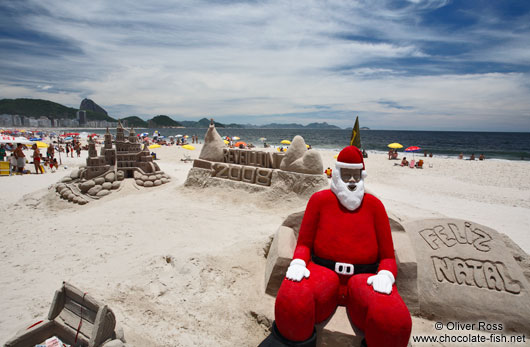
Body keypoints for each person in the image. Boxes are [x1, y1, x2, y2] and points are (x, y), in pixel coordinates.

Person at [260, 146, 412, 347]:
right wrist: (298, 262)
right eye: (346, 174)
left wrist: (386, 275)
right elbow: (304, 243)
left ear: (362, 175)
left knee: (393, 320)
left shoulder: (375, 207)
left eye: (355, 175)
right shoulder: (319, 201)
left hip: (364, 280)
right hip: (322, 273)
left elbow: (387, 257)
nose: (350, 180)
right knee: (291, 302)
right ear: (337, 173)